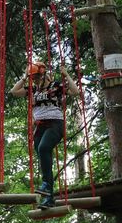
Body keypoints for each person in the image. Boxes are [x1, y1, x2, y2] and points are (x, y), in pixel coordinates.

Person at [10, 61, 80, 209]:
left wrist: (66, 75)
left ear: (43, 74)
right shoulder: (33, 89)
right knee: (43, 158)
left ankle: (46, 185)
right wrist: (24, 78)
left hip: (55, 124)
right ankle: (49, 198)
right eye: (32, 78)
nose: (34, 80)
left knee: (43, 148)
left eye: (36, 77)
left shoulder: (56, 86)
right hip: (40, 127)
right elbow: (14, 92)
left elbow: (75, 92)